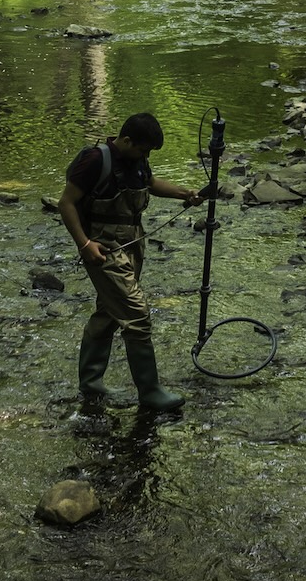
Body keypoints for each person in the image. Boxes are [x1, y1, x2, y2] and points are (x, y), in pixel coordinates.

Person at [59, 111, 200, 414]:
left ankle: (91, 383)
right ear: (125, 140)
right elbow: (66, 203)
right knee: (136, 315)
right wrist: (84, 244)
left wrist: (184, 194)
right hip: (104, 248)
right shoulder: (95, 160)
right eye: (143, 149)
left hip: (133, 245)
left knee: (109, 312)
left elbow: (150, 184)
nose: (145, 155)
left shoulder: (136, 160)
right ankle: (150, 392)